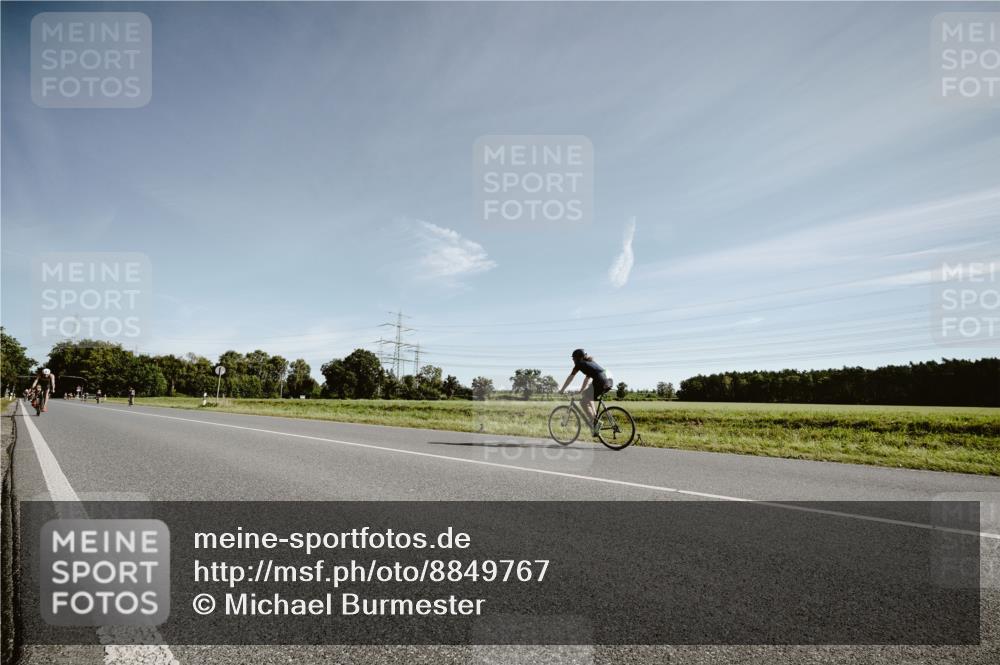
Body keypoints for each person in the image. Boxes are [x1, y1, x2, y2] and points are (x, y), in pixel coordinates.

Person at [559, 349, 613, 433]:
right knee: (587, 396)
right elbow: (587, 379)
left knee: (583, 402)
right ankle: (595, 419)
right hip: (608, 380)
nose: (573, 360)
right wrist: (581, 391)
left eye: (574, 358)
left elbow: (571, 377)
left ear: (578, 358)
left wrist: (562, 389)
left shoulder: (579, 364)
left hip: (601, 381)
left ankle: (595, 423)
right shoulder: (589, 362)